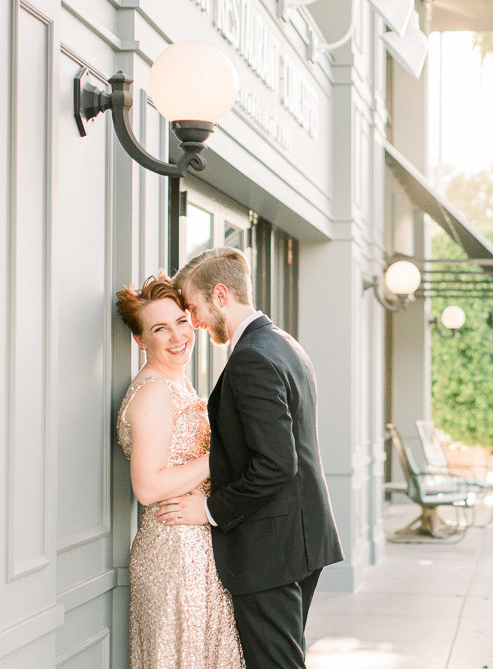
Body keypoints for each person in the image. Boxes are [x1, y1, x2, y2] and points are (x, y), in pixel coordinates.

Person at [154, 247, 343, 669]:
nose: (194, 320)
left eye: (194, 307)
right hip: (301, 538)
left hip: (270, 548)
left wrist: (208, 509)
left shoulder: (251, 358)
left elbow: (277, 463)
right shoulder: (283, 344)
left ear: (220, 295)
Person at [114, 272, 244, 669]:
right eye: (160, 329)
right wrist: (220, 455)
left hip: (198, 547)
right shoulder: (154, 391)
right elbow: (148, 487)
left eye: (181, 323)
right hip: (174, 554)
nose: (176, 337)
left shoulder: (178, 383)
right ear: (141, 340)